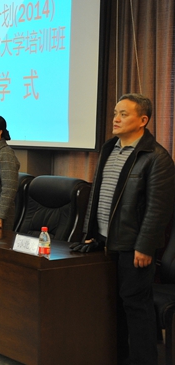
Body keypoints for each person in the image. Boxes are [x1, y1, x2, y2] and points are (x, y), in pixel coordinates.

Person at [72, 93, 175, 365]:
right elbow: (97, 196)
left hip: (134, 245)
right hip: (105, 240)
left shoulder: (156, 157)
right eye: (115, 113)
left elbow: (158, 208)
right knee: (112, 305)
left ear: (143, 120)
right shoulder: (109, 148)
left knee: (135, 305)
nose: (115, 119)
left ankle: (144, 360)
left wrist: (145, 246)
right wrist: (91, 232)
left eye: (124, 114)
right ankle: (118, 357)